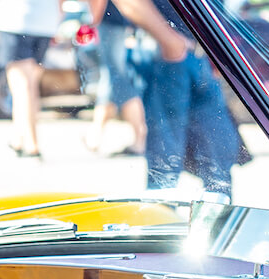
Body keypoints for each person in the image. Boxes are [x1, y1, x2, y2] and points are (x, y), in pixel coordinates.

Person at [112, 0, 241, 196]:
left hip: (196, 55)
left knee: (218, 156)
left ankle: (217, 222)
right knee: (166, 162)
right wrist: (169, 40)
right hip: (167, 54)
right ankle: (163, 221)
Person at [0, 0, 63, 159]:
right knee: (30, 85)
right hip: (46, 24)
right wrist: (57, 18)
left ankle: (32, 145)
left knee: (22, 87)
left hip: (16, 21)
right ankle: (18, 139)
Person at [85, 1, 146, 156]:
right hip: (118, 22)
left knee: (117, 79)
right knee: (110, 79)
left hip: (109, 23)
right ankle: (95, 135)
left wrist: (93, 22)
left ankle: (140, 137)